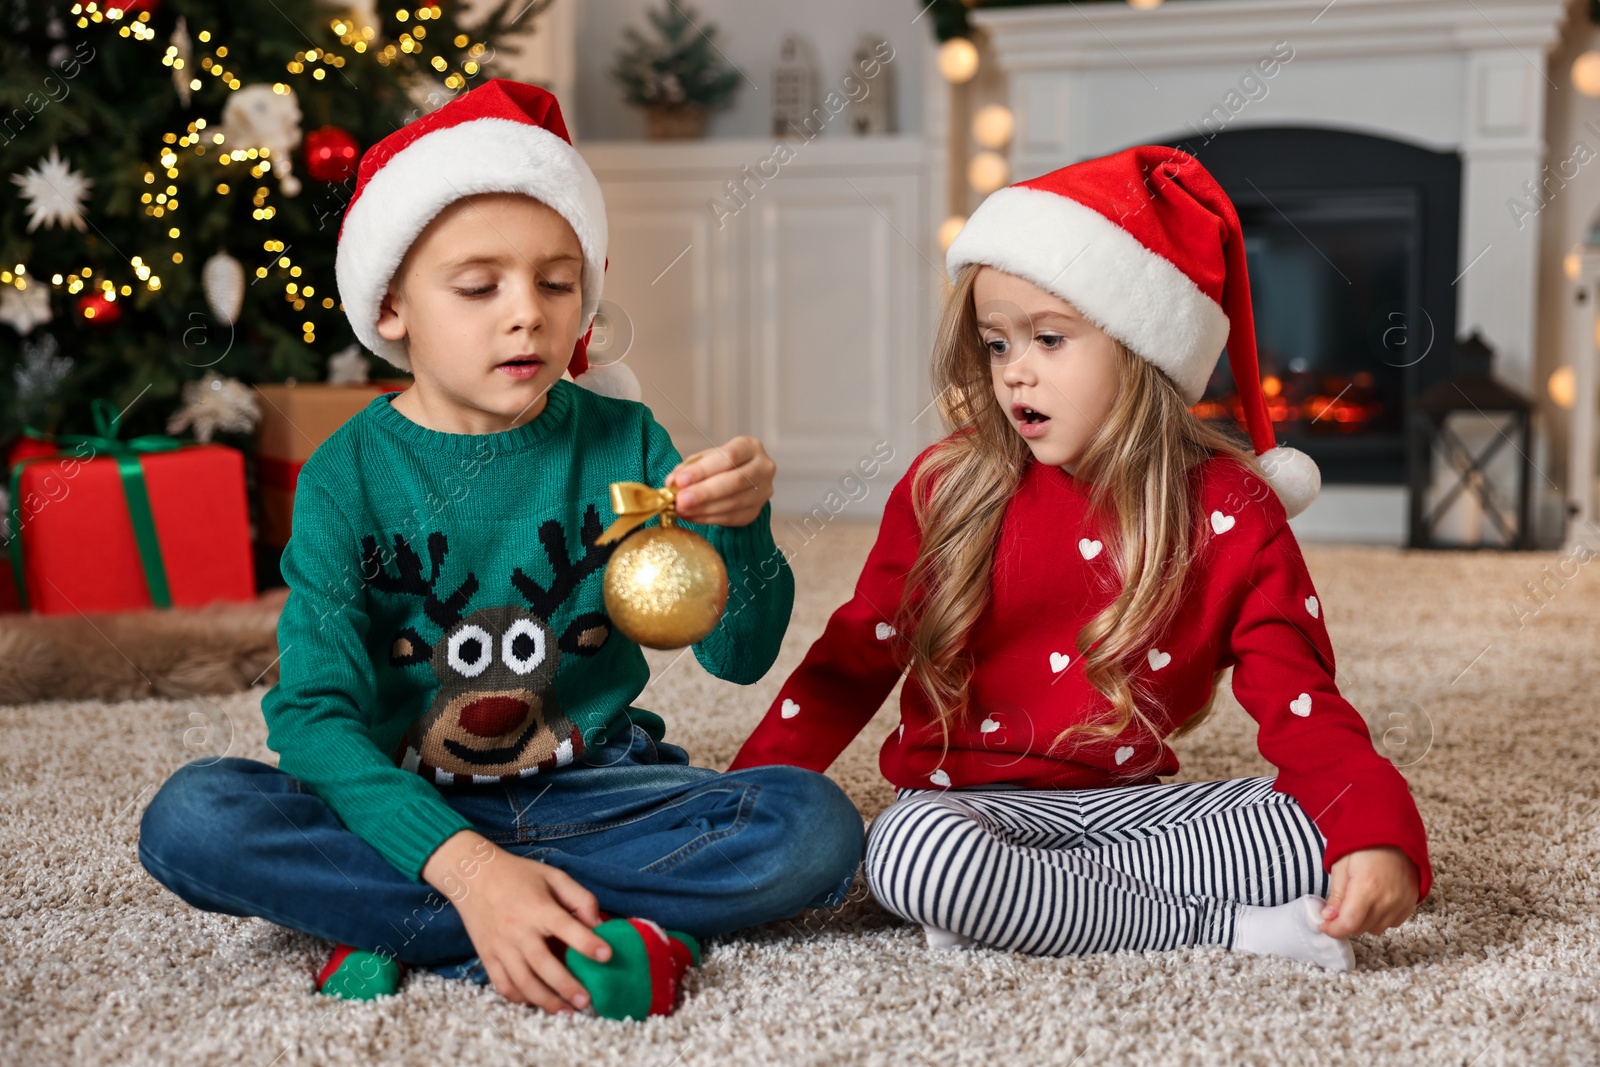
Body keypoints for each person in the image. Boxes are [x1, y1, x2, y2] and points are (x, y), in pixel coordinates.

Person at [137, 79, 863, 1016]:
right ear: (392, 307)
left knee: (813, 828)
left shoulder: (625, 441)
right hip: (413, 810)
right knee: (193, 817)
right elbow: (314, 719)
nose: (526, 312)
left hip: (597, 795)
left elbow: (739, 655)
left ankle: (413, 927)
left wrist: (742, 527)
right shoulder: (343, 477)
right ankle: (557, 928)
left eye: (558, 283)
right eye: (479, 286)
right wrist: (471, 869)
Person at [727, 145, 1430, 971]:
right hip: (967, 814)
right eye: (996, 344)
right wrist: (740, 805)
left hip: (1136, 816)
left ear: (1142, 348)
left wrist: (1376, 833)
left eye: (1049, 339)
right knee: (907, 853)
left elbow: (1302, 700)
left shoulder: (1233, 510)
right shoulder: (945, 486)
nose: (1014, 371)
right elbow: (849, 662)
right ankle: (1236, 928)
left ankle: (1036, 907)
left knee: (1312, 825)